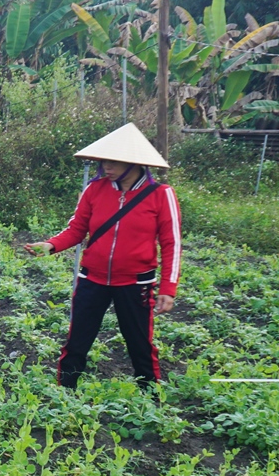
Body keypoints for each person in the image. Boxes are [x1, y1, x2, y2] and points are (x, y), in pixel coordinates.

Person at [24, 122, 181, 387]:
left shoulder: (160, 195)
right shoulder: (94, 190)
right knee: (77, 340)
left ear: (135, 163)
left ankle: (150, 395)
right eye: (104, 161)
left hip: (135, 283)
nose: (106, 166)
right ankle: (65, 391)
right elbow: (76, 230)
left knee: (139, 343)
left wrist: (168, 288)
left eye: (114, 161)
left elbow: (171, 244)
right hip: (92, 279)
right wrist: (50, 246)